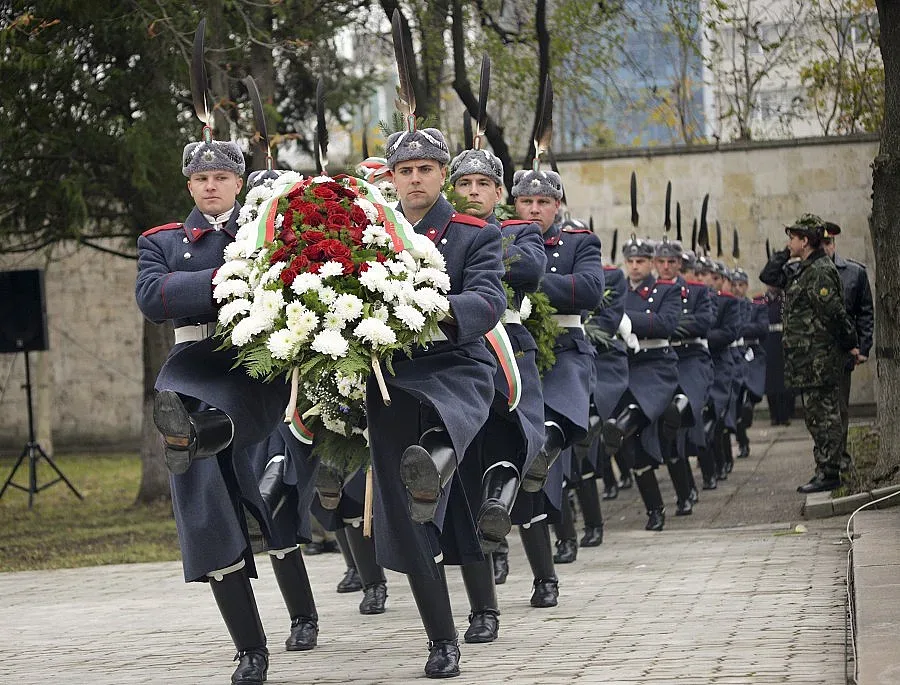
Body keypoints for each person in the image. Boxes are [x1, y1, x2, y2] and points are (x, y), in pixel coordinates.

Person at [136, 134, 292, 685]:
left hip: (251, 364)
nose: (210, 186)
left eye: (221, 177)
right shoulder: (162, 239)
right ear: (189, 185)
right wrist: (231, 279)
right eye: (201, 179)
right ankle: (250, 649)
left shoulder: (265, 230)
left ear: (238, 181)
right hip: (190, 367)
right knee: (205, 510)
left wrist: (197, 286)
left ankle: (209, 439)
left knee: (261, 489)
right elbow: (152, 299)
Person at [368, 125, 507, 678]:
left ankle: (434, 465)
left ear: (441, 174)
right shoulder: (374, 232)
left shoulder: (471, 233)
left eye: (425, 169)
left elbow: (489, 299)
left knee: (443, 471)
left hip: (456, 365)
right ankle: (441, 642)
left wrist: (427, 308)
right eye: (405, 171)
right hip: (394, 377)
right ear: (393, 178)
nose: (415, 179)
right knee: (410, 513)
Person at [448, 146, 546, 640]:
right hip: (457, 353)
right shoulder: (439, 235)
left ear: (499, 192)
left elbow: (529, 269)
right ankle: (482, 595)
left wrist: (481, 243)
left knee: (514, 445)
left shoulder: (520, 231)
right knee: (465, 475)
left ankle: (502, 509)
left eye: (482, 185)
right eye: (463, 185)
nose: (472, 193)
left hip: (509, 347)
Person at [505, 168, 604, 602]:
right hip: (515, 350)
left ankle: (546, 574)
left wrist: (529, 277)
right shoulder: (500, 236)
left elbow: (589, 291)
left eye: (543, 202)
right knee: (518, 464)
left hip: (565, 351)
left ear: (557, 205)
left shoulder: (580, 242)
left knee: (545, 444)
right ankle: (515, 560)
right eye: (526, 202)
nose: (534, 209)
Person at [759, 214, 859, 493]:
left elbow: (835, 314)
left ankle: (830, 472)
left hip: (820, 358)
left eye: (793, 238)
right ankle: (825, 469)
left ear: (805, 241)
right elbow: (768, 276)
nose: (788, 242)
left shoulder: (820, 271)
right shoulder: (801, 268)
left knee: (825, 416)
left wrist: (850, 343)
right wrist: (785, 253)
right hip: (806, 360)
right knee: (816, 416)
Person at [601, 236, 681, 531]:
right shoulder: (617, 289)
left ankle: (619, 426)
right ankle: (655, 509)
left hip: (657, 364)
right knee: (636, 450)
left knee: (636, 414)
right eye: (630, 261)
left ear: (651, 263)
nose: (635, 267)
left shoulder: (666, 289)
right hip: (626, 363)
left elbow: (667, 323)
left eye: (641, 261)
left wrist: (626, 319)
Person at [656, 243, 714, 515]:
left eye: (671, 262)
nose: (666, 266)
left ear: (680, 263)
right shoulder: (648, 293)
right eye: (661, 261)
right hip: (660, 361)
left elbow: (703, 322)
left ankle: (690, 487)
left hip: (692, 360)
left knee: (678, 418)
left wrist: (665, 323)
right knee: (667, 431)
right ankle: (685, 489)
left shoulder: (697, 292)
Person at [822, 222, 874, 473]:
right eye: (820, 243)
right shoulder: (806, 273)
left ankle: (840, 458)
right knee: (818, 411)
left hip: (843, 352)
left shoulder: (854, 272)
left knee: (839, 407)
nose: (826, 248)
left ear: (834, 243)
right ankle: (824, 461)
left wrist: (863, 347)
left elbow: (865, 312)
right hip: (814, 354)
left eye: (829, 242)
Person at [730, 269, 768, 459]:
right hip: (735, 352)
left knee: (753, 391)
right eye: (734, 284)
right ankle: (742, 442)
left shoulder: (756, 305)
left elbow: (762, 328)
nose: (737, 289)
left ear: (746, 286)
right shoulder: (727, 306)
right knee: (736, 402)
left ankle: (749, 407)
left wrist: (740, 329)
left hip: (753, 353)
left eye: (741, 285)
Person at [763, 285, 794, 426]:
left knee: (784, 381)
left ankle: (785, 414)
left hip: (783, 341)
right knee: (770, 382)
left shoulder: (785, 300)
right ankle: (774, 415)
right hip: (768, 342)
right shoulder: (763, 301)